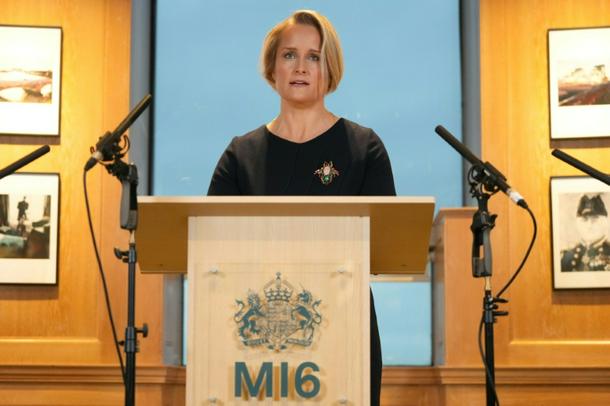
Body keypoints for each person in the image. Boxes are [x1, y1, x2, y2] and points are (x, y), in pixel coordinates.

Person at [207, 10, 395, 405]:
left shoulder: (364, 148)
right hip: (257, 340)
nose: (301, 67)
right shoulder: (241, 154)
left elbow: (384, 246)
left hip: (345, 326)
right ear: (272, 67)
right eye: (289, 55)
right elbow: (212, 248)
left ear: (330, 68)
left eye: (314, 57)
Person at [561, 194, 610, 272]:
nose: (589, 226)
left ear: (604, 222)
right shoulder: (568, 257)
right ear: (578, 223)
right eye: (584, 220)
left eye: (594, 220)